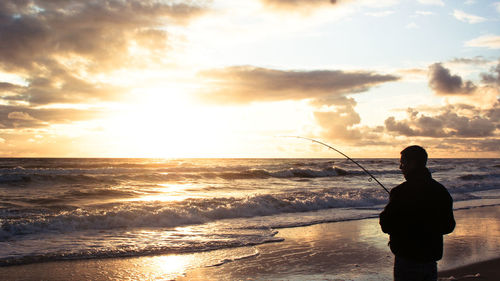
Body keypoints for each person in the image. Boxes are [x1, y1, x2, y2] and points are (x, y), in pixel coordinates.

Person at [379, 145, 455, 281]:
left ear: (412, 163)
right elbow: (449, 226)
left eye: (402, 163)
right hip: (430, 260)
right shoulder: (440, 191)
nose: (400, 167)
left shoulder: (400, 192)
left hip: (406, 259)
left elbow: (386, 225)